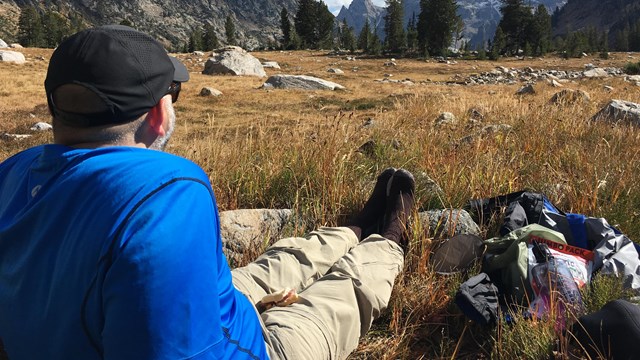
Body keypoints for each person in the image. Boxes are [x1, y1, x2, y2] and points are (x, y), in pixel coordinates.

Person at [0, 25, 414, 360]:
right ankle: (389, 241)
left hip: (158, 316)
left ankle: (353, 231)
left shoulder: (12, 173)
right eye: (172, 93)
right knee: (335, 301)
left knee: (278, 262)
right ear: (160, 114)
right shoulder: (165, 191)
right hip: (253, 349)